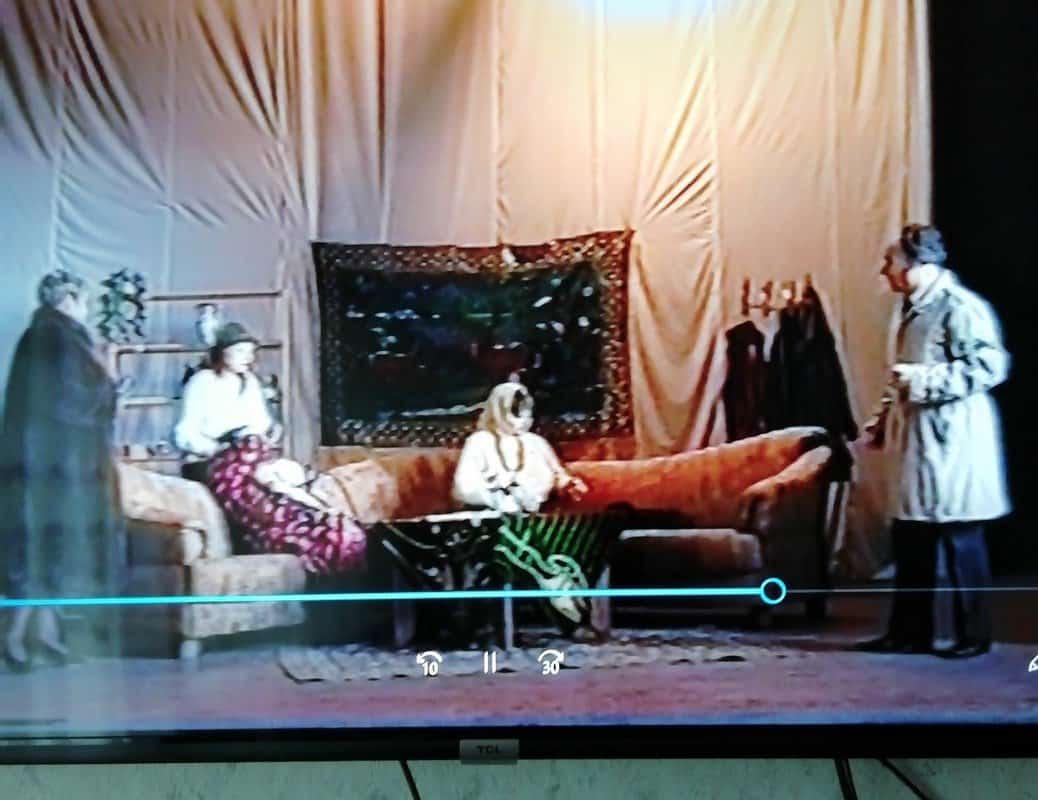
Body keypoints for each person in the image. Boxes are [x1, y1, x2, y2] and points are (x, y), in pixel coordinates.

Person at [856, 224, 1010, 658]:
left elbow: (988, 366)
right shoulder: (913, 310)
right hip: (919, 443)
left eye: (891, 261)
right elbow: (902, 374)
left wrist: (924, 381)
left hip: (953, 443)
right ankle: (909, 631)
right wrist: (881, 421)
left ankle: (973, 634)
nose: (885, 270)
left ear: (916, 264)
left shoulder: (959, 307)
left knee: (961, 538)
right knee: (912, 539)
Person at [1, 270, 125, 672]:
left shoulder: (39, 335)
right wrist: (109, 377)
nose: (85, 308)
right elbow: (74, 400)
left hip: (38, 461)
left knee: (43, 546)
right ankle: (15, 639)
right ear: (69, 300)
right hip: (57, 465)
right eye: (82, 300)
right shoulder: (59, 338)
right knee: (40, 547)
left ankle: (44, 635)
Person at [173, 322, 365, 574]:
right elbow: (184, 434)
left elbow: (261, 424)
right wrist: (220, 448)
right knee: (265, 501)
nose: (248, 358)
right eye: (240, 351)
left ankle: (327, 533)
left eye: (250, 352)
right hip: (218, 462)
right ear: (222, 353)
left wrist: (269, 433)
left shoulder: (249, 382)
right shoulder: (202, 381)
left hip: (254, 457)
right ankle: (288, 535)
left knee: (296, 491)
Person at [452, 381, 588, 513]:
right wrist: (500, 499)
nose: (524, 417)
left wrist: (569, 484)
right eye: (516, 411)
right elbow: (465, 488)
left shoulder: (536, 442)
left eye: (526, 410)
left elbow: (557, 475)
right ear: (500, 410)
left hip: (538, 514)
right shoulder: (479, 442)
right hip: (493, 516)